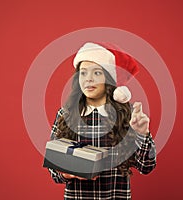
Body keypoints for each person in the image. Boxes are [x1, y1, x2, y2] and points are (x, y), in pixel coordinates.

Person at [46, 42, 156, 199]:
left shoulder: (129, 115)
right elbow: (54, 173)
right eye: (83, 73)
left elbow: (147, 166)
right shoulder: (66, 114)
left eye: (97, 73)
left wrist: (142, 134)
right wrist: (65, 173)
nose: (88, 79)